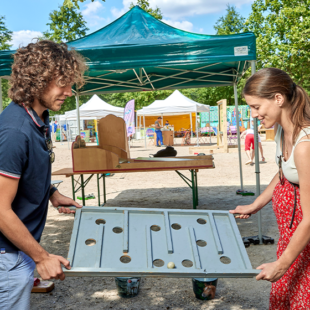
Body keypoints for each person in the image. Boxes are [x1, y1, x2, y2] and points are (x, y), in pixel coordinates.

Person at [0, 40, 86, 310]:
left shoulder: (39, 117)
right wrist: (41, 257)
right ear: (37, 81)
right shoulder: (15, 132)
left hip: (18, 248)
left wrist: (51, 193)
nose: (68, 92)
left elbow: (26, 171)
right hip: (6, 254)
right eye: (62, 84)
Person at [230, 68, 310, 309]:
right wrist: (256, 204)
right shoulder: (280, 130)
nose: (253, 114)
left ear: (278, 98)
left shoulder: (305, 146)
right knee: (283, 297)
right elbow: (283, 171)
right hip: (290, 234)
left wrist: (281, 264)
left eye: (256, 107)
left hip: (304, 235)